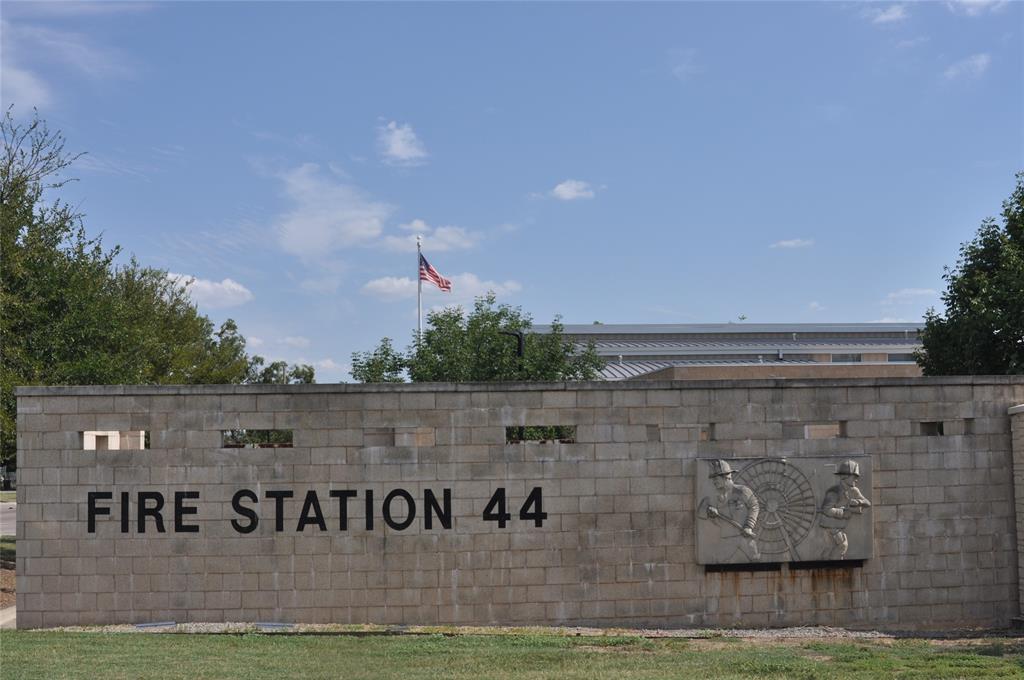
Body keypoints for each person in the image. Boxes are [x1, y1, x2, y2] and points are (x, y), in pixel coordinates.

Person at [698, 459, 761, 562]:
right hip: (727, 539)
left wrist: (749, 526)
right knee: (718, 563)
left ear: (726, 477)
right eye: (713, 478)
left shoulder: (742, 491)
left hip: (745, 537)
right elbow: (700, 513)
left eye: (716, 478)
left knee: (757, 562)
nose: (714, 481)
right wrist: (708, 511)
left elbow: (754, 506)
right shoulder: (713, 497)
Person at [819, 459, 871, 559]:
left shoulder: (854, 490)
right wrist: (844, 513)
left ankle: (826, 561)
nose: (856, 479)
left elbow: (868, 503)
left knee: (830, 547)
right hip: (830, 525)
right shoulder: (834, 492)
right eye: (854, 476)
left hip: (838, 525)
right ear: (845, 476)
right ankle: (833, 565)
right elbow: (826, 509)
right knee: (843, 545)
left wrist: (859, 502)